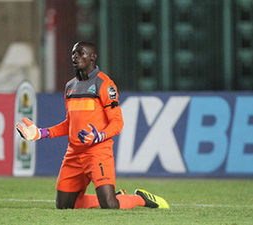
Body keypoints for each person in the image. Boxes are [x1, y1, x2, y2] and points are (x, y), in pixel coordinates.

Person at [16, 41, 169, 209]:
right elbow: (70, 124)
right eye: (73, 53)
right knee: (65, 206)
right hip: (74, 153)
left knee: (110, 205)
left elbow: (117, 122)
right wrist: (40, 133)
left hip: (98, 152)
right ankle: (118, 196)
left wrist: (99, 136)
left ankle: (140, 198)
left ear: (93, 57)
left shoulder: (104, 84)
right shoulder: (70, 87)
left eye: (81, 53)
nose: (75, 57)